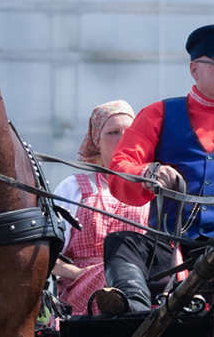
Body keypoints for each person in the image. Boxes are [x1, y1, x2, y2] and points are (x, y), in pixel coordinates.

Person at [95, 23, 214, 315]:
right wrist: (149, 173)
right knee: (120, 243)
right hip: (169, 251)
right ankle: (135, 314)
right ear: (194, 69)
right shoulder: (157, 114)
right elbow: (120, 169)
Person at [51, 101, 152, 317]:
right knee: (110, 276)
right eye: (113, 132)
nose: (122, 138)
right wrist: (78, 273)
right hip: (84, 286)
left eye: (129, 132)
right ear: (96, 141)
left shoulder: (152, 188)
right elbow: (46, 255)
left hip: (144, 282)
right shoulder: (74, 188)